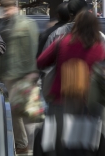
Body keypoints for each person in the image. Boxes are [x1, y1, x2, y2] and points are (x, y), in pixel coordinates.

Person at [36, 9, 105, 155]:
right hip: (89, 103)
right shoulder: (99, 47)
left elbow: (41, 61)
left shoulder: (62, 41)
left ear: (76, 24)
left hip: (61, 101)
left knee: (58, 144)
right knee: (86, 146)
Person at [0, 0, 39, 154]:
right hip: (8, 73)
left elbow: (33, 48)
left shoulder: (28, 24)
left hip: (25, 73)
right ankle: (23, 144)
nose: (7, 11)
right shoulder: (2, 23)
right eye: (4, 8)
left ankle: (28, 144)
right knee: (16, 111)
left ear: (17, 7)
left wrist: (32, 71)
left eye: (9, 7)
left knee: (27, 112)